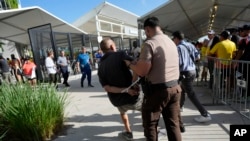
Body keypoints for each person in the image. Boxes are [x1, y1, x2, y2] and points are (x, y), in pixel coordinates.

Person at [124, 17, 182, 141]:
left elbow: (142, 71)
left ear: (147, 29)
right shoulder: (171, 41)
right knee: (173, 125)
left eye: (146, 32)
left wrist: (129, 64)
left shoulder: (150, 43)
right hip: (175, 88)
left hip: (157, 91)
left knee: (150, 125)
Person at [98, 38, 142, 141]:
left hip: (117, 100)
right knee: (146, 109)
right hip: (133, 97)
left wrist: (125, 90)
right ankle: (149, 130)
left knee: (123, 112)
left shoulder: (100, 67)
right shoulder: (120, 55)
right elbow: (135, 65)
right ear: (112, 46)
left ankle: (128, 132)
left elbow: (107, 88)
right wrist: (133, 83)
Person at [172, 31, 211, 123]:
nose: (173, 40)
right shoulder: (190, 45)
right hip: (192, 71)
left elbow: (179, 63)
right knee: (183, 90)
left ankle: (204, 114)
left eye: (173, 39)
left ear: (176, 38)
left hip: (184, 72)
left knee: (191, 94)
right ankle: (180, 107)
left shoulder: (178, 48)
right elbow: (197, 57)